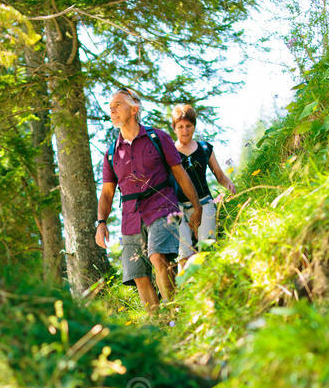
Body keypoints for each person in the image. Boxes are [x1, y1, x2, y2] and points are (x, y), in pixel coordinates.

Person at [95, 88, 202, 309]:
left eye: (118, 105)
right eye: (110, 106)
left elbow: (180, 174)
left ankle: (173, 311)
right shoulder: (111, 153)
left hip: (162, 207)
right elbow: (107, 193)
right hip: (130, 217)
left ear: (134, 109)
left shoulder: (158, 138)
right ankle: (157, 324)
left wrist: (196, 206)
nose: (112, 109)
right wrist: (101, 222)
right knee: (138, 275)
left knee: (157, 256)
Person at [171, 103, 236, 266]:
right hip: (178, 208)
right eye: (180, 127)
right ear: (174, 128)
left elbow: (219, 175)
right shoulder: (169, 152)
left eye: (188, 126)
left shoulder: (205, 148)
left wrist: (230, 185)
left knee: (206, 250)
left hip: (205, 202)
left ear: (194, 126)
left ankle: (208, 285)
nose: (185, 131)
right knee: (183, 255)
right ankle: (187, 289)